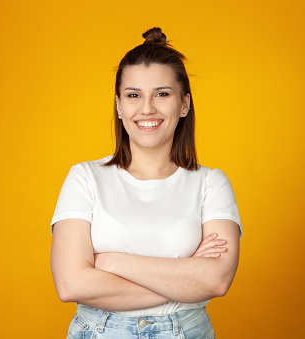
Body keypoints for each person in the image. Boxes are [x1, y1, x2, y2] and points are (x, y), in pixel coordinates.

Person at [50, 27, 242, 339]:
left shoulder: (211, 183)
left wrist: (112, 262)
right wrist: (186, 278)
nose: (147, 108)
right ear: (119, 105)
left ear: (184, 104)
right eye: (134, 95)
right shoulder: (85, 177)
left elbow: (216, 280)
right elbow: (71, 284)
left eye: (162, 94)